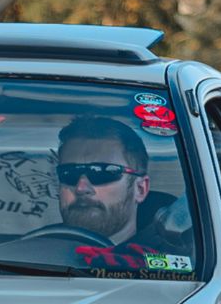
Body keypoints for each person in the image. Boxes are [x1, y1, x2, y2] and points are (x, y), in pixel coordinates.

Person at [50, 116, 193, 270]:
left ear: (140, 189)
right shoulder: (30, 253)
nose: (81, 187)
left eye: (102, 172)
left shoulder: (178, 265)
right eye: (68, 173)